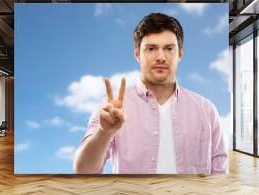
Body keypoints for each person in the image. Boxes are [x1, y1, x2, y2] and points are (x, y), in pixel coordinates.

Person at [73, 12, 228, 174]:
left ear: (180, 54)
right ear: (137, 54)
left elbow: (220, 174)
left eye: (169, 49)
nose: (161, 57)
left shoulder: (206, 110)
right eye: (151, 49)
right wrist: (104, 132)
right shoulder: (111, 109)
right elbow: (83, 171)